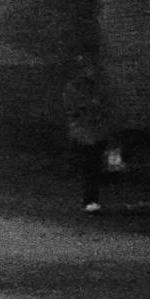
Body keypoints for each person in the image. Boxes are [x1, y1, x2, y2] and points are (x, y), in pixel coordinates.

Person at [63, 66, 109, 214]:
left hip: (89, 133)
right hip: (87, 133)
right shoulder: (82, 89)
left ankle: (90, 199)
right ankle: (90, 200)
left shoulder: (85, 88)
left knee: (91, 168)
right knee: (90, 167)